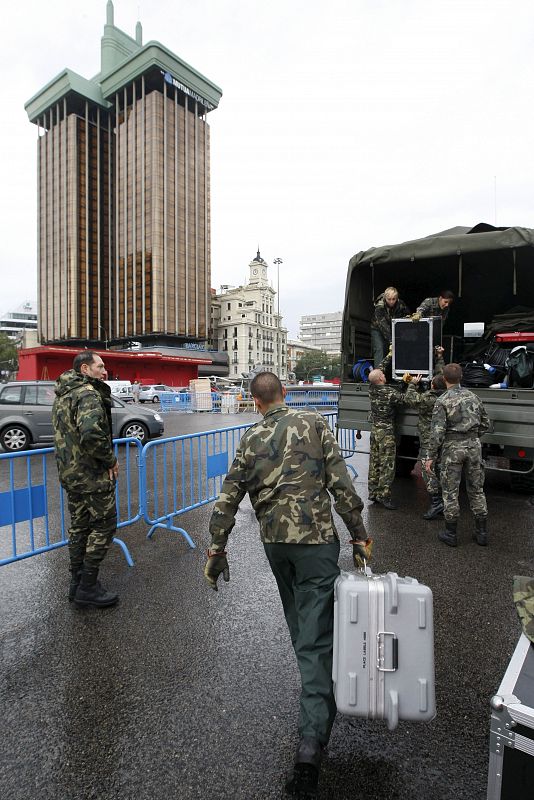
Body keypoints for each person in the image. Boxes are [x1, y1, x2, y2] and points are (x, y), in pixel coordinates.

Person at [203, 372, 372, 799]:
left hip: (276, 544)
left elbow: (228, 497)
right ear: (284, 394)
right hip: (315, 543)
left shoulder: (248, 438)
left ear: (255, 401)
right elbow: (341, 485)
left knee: (302, 624)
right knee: (314, 636)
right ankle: (310, 746)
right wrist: (359, 535)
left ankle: (316, 687)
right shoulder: (314, 424)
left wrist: (216, 550)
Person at [52, 351, 119, 607]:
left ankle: (76, 583)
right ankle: (88, 586)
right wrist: (110, 460)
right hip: (91, 475)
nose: (104, 371)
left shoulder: (63, 395)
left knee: (80, 527)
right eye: (100, 366)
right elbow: (91, 434)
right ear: (84, 369)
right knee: (104, 524)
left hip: (71, 475)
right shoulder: (87, 394)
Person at [426, 362, 490, 547]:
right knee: (477, 490)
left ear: (444, 379)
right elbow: (485, 423)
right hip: (473, 447)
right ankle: (482, 533)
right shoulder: (474, 397)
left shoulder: (442, 401)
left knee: (450, 492)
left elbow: (437, 432)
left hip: (452, 449)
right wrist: (472, 437)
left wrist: (430, 456)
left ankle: (451, 534)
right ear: (461, 377)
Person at [401, 369, 447, 519]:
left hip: (429, 440)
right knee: (443, 470)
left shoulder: (429, 398)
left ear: (432, 385)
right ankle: (446, 502)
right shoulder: (450, 396)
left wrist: (413, 384)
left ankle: (436, 503)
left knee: (428, 470)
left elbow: (410, 399)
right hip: (446, 440)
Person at [367, 363, 409, 510]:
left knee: (374, 463)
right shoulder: (389, 393)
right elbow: (405, 399)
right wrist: (411, 384)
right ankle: (384, 496)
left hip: (375, 431)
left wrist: (389, 356)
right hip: (386, 434)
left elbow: (378, 371)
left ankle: (373, 493)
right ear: (380, 378)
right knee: (387, 465)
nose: (385, 375)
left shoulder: (371, 389)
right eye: (383, 375)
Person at [370, 286, 410, 367]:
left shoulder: (400, 304)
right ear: (385, 297)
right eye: (389, 299)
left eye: (394, 299)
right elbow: (383, 326)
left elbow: (408, 318)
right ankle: (378, 375)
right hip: (378, 329)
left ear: (397, 298)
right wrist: (392, 341)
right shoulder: (380, 306)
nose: (391, 301)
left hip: (394, 328)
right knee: (380, 348)